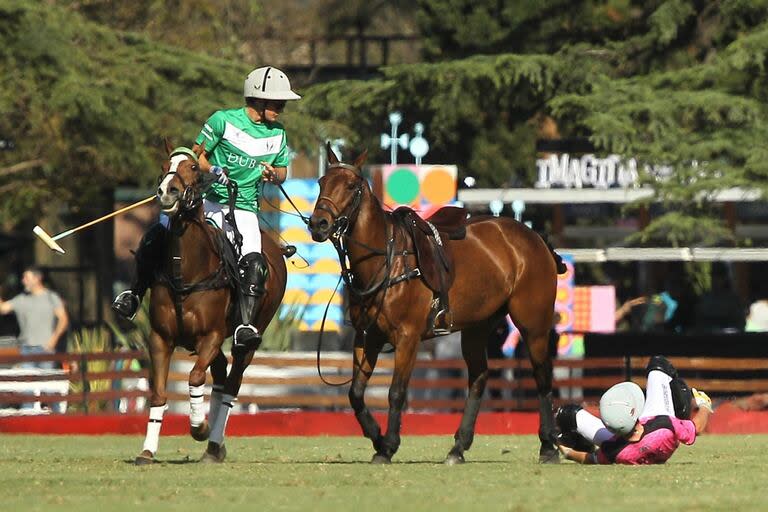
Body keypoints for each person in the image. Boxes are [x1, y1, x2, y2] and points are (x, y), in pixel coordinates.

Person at [112, 66, 300, 349]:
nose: (282, 108)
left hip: (245, 207)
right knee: (157, 235)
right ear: (258, 99)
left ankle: (245, 325)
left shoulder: (279, 133)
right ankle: (133, 295)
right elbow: (194, 157)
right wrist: (213, 168)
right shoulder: (222, 121)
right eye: (277, 102)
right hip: (207, 201)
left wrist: (274, 174)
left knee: (254, 260)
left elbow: (283, 171)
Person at [554, 355, 713, 465]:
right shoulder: (665, 425)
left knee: (566, 415)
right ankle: (680, 414)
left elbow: (591, 459)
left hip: (624, 441)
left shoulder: (615, 452)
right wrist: (705, 405)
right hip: (658, 424)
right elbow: (697, 428)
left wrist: (568, 452)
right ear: (633, 413)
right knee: (659, 364)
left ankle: (580, 442)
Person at [0, 267, 69, 368]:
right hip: (27, 349)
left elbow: (63, 320)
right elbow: (3, 309)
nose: (23, 281)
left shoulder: (51, 297)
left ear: (37, 279)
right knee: (29, 381)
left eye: (27, 278)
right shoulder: (22, 299)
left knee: (46, 381)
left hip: (46, 348)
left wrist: (54, 339)